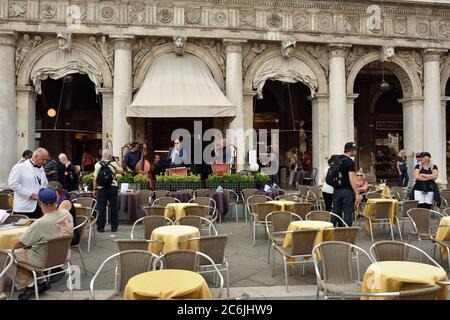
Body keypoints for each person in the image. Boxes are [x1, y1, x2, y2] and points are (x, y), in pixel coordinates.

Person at [12, 187, 73, 300]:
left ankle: (30, 285)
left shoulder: (40, 223)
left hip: (43, 260)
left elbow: (18, 244)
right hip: (63, 256)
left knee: (10, 255)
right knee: (30, 251)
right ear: (56, 200)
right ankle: (42, 282)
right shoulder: (66, 214)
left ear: (40, 202)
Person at [8, 148, 49, 219]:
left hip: (39, 206)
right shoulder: (20, 167)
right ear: (35, 156)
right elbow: (13, 184)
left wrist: (43, 194)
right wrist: (29, 194)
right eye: (43, 159)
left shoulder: (41, 168)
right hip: (24, 207)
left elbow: (44, 184)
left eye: (46, 160)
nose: (45, 162)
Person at [331, 142, 361, 227]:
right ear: (351, 151)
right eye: (355, 150)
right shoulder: (349, 162)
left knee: (335, 212)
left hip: (336, 190)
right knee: (348, 213)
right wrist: (357, 193)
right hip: (347, 191)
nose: (356, 152)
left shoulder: (337, 159)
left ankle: (329, 231)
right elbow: (352, 179)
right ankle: (346, 234)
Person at [93, 149, 123, 233]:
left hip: (102, 188)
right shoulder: (113, 164)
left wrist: (95, 189)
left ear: (102, 155)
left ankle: (100, 228)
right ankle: (114, 227)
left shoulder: (98, 164)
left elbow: (95, 178)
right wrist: (117, 161)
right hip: (112, 187)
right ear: (110, 156)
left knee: (101, 208)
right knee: (114, 207)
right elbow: (121, 171)